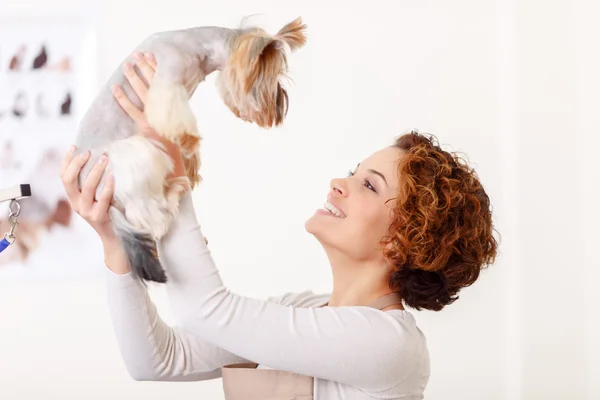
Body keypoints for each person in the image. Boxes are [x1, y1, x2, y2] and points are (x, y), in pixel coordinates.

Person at [60, 53, 498, 400]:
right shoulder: (303, 309)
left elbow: (207, 310)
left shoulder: (389, 345)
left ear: (405, 239)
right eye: (354, 171)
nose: (338, 183)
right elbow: (157, 361)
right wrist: (116, 246)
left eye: (368, 184)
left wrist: (172, 172)